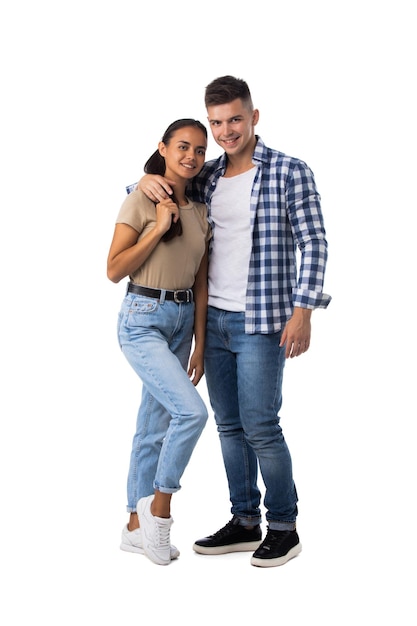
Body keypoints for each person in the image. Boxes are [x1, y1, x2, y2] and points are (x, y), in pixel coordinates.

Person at [137, 76, 331, 568]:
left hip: (263, 322)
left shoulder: (289, 171)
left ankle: (283, 527)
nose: (226, 131)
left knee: (261, 427)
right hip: (214, 321)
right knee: (227, 426)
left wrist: (303, 311)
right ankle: (244, 520)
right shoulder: (208, 175)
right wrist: (141, 179)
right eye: (217, 122)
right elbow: (164, 188)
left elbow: (315, 242)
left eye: (235, 120)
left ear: (254, 117)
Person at [107, 118, 211, 566]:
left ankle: (133, 525)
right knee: (190, 412)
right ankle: (159, 508)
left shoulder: (202, 210)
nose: (191, 156)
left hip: (183, 321)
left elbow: (202, 283)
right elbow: (113, 269)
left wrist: (200, 344)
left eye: (200, 150)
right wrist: (156, 226)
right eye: (183, 147)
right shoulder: (142, 198)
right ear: (163, 148)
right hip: (143, 318)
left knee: (153, 426)